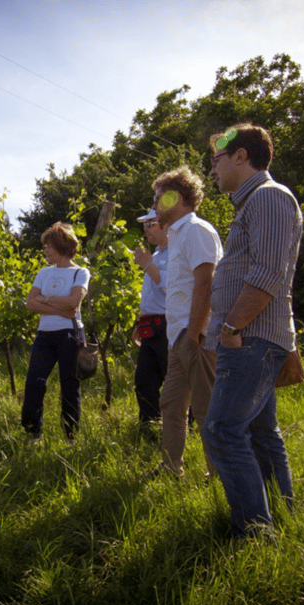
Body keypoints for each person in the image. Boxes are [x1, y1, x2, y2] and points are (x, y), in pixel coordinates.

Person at [202, 123, 303, 537]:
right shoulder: (253, 204)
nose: (212, 172)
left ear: (241, 156)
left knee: (223, 430)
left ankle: (254, 533)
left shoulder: (269, 198)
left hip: (250, 340)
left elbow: (268, 275)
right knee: (261, 433)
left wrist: (229, 328)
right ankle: (279, 516)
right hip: (252, 338)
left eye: (216, 161)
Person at [152, 166, 223, 477]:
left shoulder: (196, 230)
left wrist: (195, 333)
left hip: (196, 336)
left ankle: (219, 476)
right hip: (178, 336)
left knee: (207, 410)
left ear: (175, 197)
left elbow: (206, 283)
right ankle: (171, 468)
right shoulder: (178, 236)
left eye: (157, 198)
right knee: (171, 404)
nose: (153, 206)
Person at [21, 222, 90, 442]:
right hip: (44, 336)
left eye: (48, 246)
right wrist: (59, 306)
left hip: (68, 336)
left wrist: (46, 299)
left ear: (60, 246)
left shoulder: (80, 272)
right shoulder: (43, 273)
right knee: (34, 382)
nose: (45, 250)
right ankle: (33, 432)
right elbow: (30, 303)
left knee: (69, 386)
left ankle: (70, 435)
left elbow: (74, 303)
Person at [130, 208, 169, 439]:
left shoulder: (176, 252)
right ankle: (149, 430)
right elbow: (152, 294)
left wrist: (147, 265)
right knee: (144, 380)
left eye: (151, 224)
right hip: (150, 323)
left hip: (168, 324)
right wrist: (140, 320)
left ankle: (190, 430)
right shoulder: (155, 255)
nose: (146, 229)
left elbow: (171, 287)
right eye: (145, 224)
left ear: (166, 225)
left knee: (175, 382)